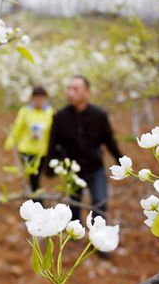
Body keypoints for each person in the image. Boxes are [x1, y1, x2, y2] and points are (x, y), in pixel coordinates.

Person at [47, 75, 122, 222]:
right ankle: (75, 233)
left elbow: (109, 140)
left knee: (100, 202)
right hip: (72, 170)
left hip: (95, 167)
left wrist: (120, 160)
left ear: (87, 92)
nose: (70, 92)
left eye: (75, 89)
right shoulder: (60, 117)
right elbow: (52, 143)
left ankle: (99, 237)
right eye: (69, 88)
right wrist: (50, 166)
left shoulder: (99, 115)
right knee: (74, 204)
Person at [5, 87, 53, 203]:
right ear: (32, 99)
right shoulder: (25, 111)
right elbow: (17, 128)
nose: (39, 101)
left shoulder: (49, 112)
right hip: (26, 150)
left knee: (36, 177)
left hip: (42, 151)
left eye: (42, 98)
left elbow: (52, 132)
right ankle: (37, 201)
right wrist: (10, 142)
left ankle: (34, 197)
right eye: (37, 98)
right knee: (33, 177)